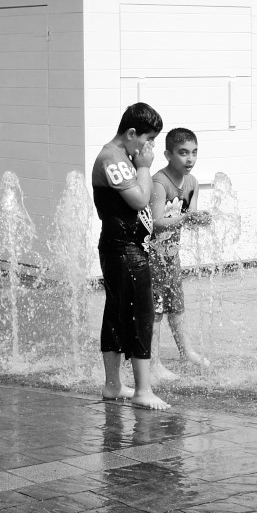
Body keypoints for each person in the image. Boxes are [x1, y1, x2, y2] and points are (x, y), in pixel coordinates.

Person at [92, 102, 168, 410]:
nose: (149, 147)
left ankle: (113, 385)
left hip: (124, 248)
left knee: (117, 313)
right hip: (124, 249)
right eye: (148, 139)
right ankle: (143, 390)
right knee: (140, 315)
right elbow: (139, 199)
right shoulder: (114, 158)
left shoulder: (122, 156)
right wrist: (146, 167)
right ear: (132, 132)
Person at [147, 127, 212, 382]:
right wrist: (185, 217)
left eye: (194, 152)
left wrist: (198, 219)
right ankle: (153, 362)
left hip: (171, 256)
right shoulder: (159, 183)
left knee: (176, 305)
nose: (190, 159)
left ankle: (187, 352)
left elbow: (189, 217)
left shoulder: (192, 182)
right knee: (156, 310)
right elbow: (156, 221)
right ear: (167, 154)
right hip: (151, 257)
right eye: (183, 153)